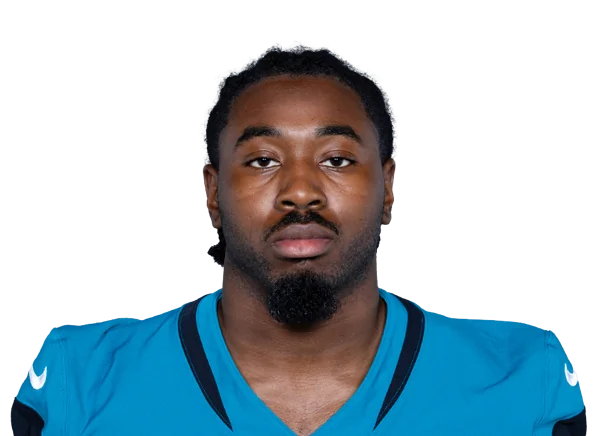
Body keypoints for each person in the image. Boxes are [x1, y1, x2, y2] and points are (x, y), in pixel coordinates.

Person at [11, 43, 586, 435]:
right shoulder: (80, 379)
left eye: (337, 159)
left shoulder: (524, 378)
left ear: (388, 185)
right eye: (263, 160)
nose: (301, 191)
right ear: (212, 190)